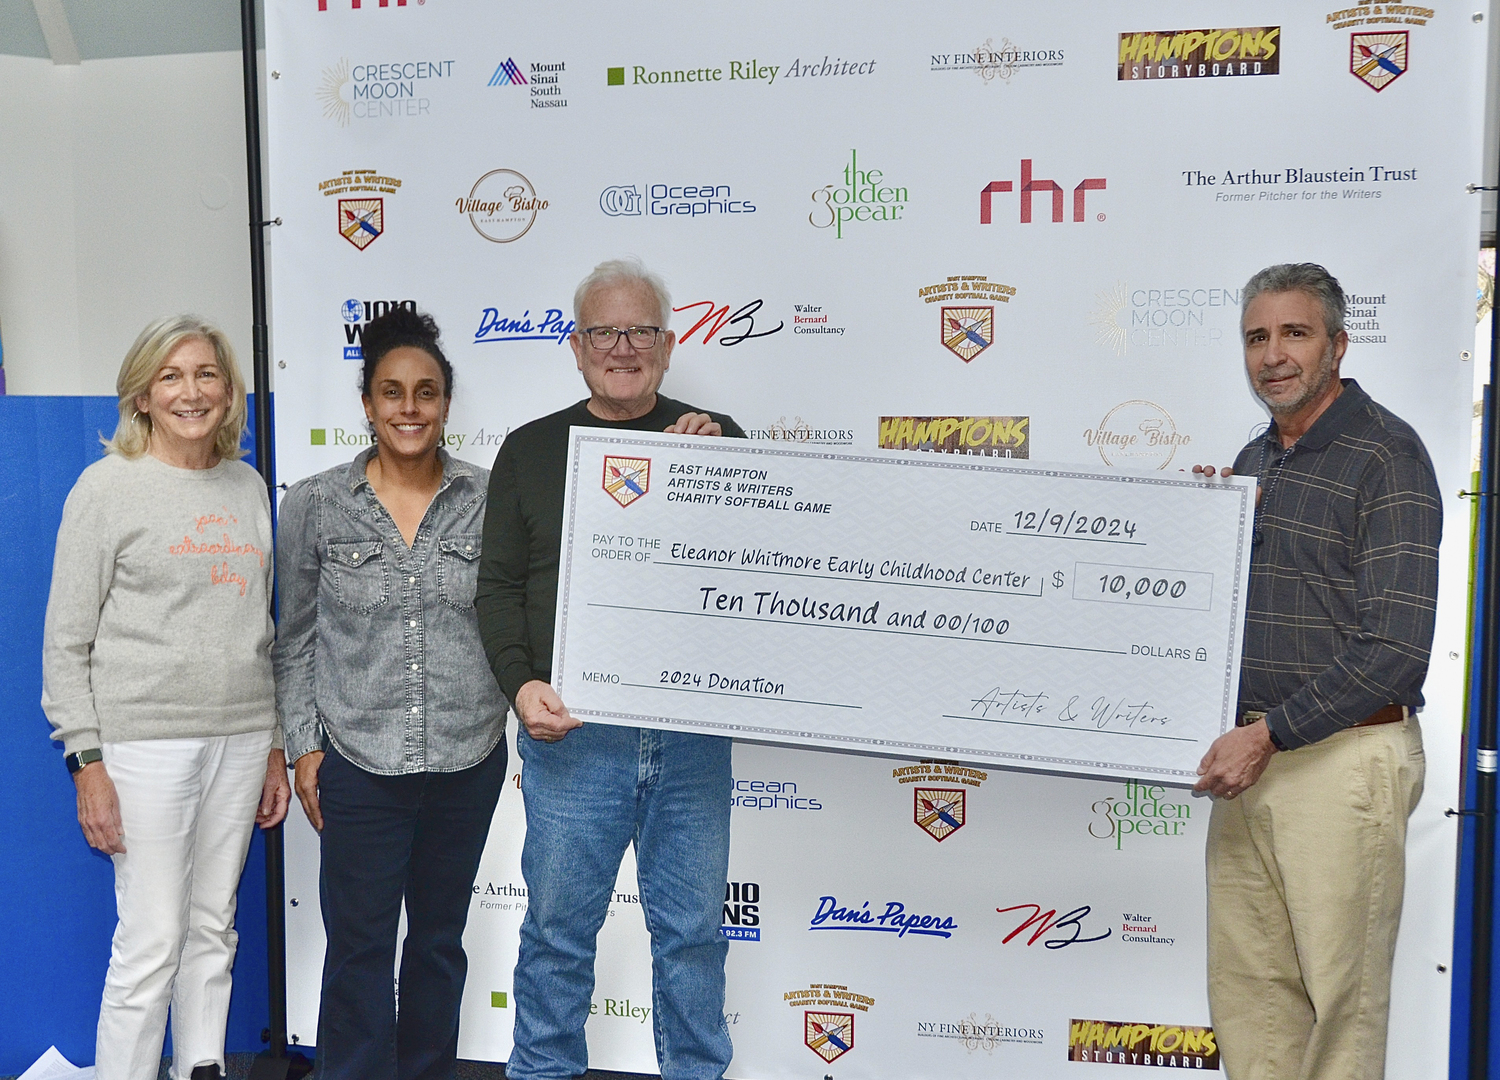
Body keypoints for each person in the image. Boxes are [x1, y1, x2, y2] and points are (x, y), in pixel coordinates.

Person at [476, 257, 744, 1080]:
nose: (621, 347)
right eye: (603, 331)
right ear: (576, 345)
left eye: (638, 331)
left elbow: (759, 572)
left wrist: (726, 459)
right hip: (574, 737)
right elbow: (498, 590)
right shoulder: (527, 451)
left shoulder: (717, 440)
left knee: (694, 938)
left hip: (691, 741)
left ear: (666, 345)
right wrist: (522, 688)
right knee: (556, 940)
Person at [1192, 263, 1440, 1079]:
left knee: (1342, 1010)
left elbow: (1395, 646)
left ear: (1337, 343)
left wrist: (1268, 735)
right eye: (1256, 337)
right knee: (1252, 1000)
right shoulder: (1254, 460)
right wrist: (1194, 529)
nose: (1273, 355)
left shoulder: (1387, 456)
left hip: (1340, 763)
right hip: (1252, 760)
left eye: (1294, 333)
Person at [41, 316, 290, 1080]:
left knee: (214, 928)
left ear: (229, 391)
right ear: (143, 395)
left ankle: (201, 1067)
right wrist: (87, 762)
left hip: (243, 738)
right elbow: (65, 643)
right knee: (151, 939)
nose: (192, 392)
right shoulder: (106, 488)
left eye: (207, 374)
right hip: (145, 745)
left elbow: (261, 625)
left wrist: (276, 743)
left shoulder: (246, 485)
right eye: (172, 377)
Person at [275, 307, 508, 1080]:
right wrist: (306, 749)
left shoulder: (490, 497)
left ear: (446, 403)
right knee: (360, 948)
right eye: (392, 392)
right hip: (358, 762)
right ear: (367, 404)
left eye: (427, 392)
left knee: (439, 943)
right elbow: (295, 638)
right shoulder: (314, 503)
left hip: (466, 759)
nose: (410, 408)